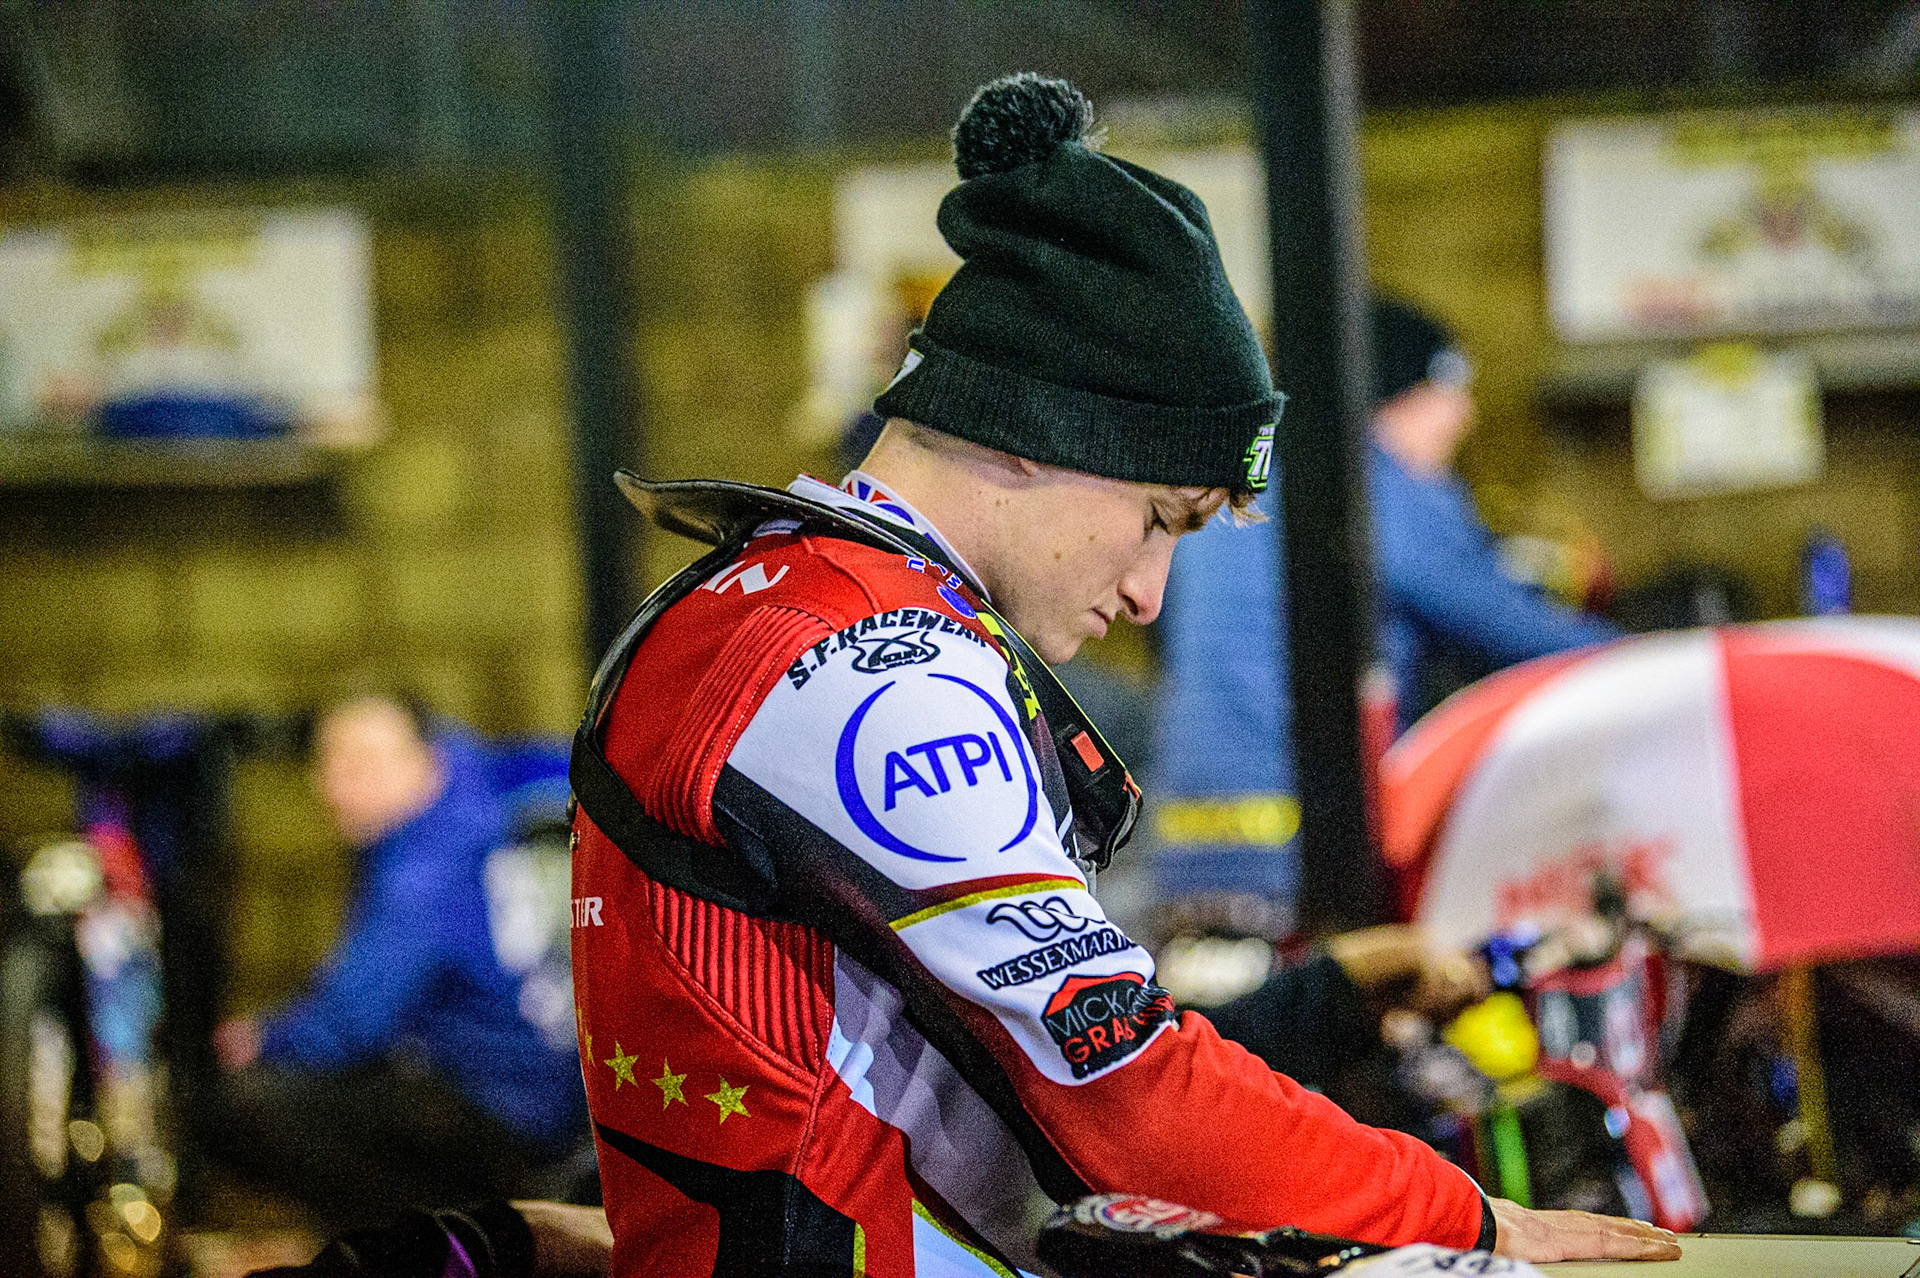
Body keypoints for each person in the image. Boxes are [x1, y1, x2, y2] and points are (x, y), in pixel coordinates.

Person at [568, 73, 1676, 1275]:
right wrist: (1465, 1217)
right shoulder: (872, 670)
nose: (1151, 593)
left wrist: (1319, 1006)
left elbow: (1002, 1055)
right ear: (1038, 438)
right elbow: (1127, 1105)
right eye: (1161, 518)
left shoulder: (777, 600)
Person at [1152, 297, 1621, 908]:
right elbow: (1513, 632)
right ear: (1393, 396)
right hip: (1312, 862)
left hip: (1184, 854)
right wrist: (1667, 660)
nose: (1466, 417)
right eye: (1450, 389)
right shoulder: (1373, 488)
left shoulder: (1236, 486)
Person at [210, 694, 587, 1227]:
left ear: (424, 760)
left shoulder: (427, 863)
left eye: (362, 764)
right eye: (328, 763)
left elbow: (353, 1022)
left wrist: (262, 1039)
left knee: (237, 1103)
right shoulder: (483, 793)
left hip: (508, 1108)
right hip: (552, 1093)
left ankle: (429, 1248)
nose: (335, 787)